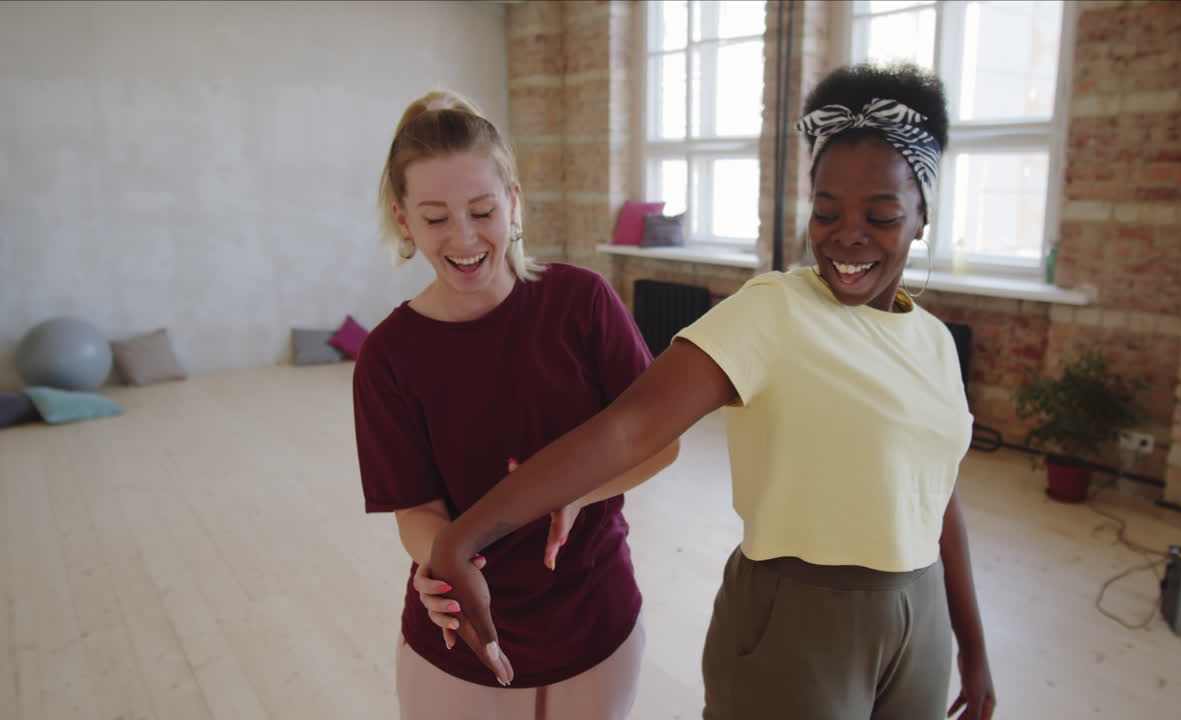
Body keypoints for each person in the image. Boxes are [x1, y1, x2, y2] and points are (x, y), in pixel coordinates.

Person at [426, 63, 997, 720]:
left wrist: (972, 648)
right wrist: (461, 538)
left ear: (922, 218)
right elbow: (627, 428)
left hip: (921, 618)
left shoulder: (932, 341)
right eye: (826, 210)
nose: (848, 235)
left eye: (884, 214)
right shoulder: (774, 312)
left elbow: (937, 492)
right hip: (798, 620)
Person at [353, 89, 679, 720]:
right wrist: (442, 555)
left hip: (596, 619)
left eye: (481, 210)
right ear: (403, 220)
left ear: (514, 201)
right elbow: (414, 510)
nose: (464, 238)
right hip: (459, 641)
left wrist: (576, 492)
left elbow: (659, 441)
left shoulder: (581, 302)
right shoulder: (389, 357)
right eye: (435, 217)